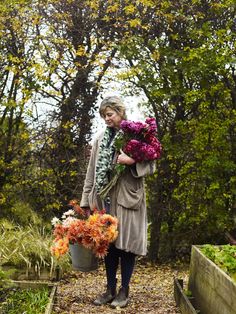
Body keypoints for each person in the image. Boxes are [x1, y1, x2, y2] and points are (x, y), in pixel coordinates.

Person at [80, 96, 156, 308]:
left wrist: (132, 162)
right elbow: (91, 172)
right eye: (104, 115)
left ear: (120, 112)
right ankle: (110, 289)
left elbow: (151, 167)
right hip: (105, 199)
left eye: (110, 114)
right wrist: (86, 201)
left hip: (129, 198)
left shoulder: (137, 136)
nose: (106, 119)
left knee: (127, 246)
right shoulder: (99, 139)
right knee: (109, 246)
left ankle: (124, 290)